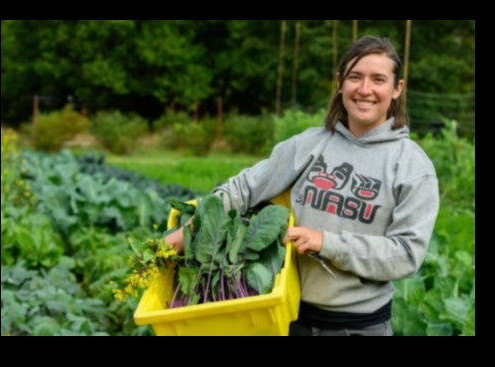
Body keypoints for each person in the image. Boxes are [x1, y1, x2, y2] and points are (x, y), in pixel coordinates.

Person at [165, 35, 439, 336]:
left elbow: (405, 255)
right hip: (288, 318)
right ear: (339, 83)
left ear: (397, 88)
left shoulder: (413, 167)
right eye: (355, 77)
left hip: (360, 327)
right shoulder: (309, 144)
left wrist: (327, 242)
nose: (364, 90)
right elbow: (244, 188)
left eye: (378, 79)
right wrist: (191, 229)